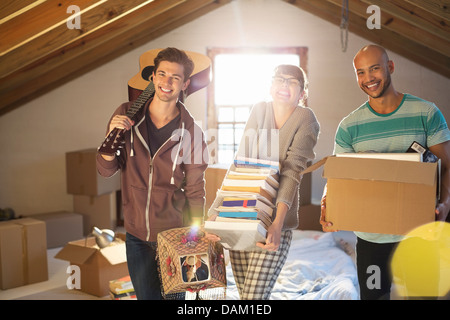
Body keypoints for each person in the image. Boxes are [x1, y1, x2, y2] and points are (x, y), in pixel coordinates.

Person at [320, 44, 450, 299]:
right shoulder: (349, 126)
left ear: (390, 67)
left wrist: (445, 204)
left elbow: (447, 167)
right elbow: (339, 178)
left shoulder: (426, 113)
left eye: (374, 69)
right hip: (371, 239)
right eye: (360, 72)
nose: (368, 78)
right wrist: (328, 205)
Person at [96, 47, 209, 300]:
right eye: (162, 74)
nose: (166, 82)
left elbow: (195, 189)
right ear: (153, 78)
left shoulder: (193, 133)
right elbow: (106, 170)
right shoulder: (126, 114)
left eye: (175, 77)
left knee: (174, 300)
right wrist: (109, 139)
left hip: (174, 234)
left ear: (185, 84)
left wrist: (196, 234)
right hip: (136, 235)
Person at [206, 64, 320, 299]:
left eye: (292, 81)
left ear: (302, 93)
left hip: (274, 222)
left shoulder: (306, 119)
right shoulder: (259, 110)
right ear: (271, 86)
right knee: (245, 294)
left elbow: (292, 172)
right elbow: (240, 163)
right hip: (241, 215)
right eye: (279, 79)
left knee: (253, 298)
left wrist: (277, 224)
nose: (284, 85)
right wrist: (215, 211)